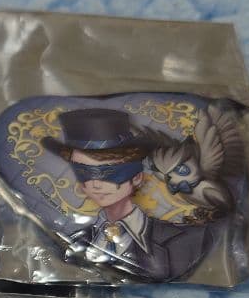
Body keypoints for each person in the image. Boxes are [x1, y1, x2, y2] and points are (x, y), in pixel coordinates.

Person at [40, 108, 207, 280]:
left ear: (136, 177)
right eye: (84, 172)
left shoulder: (186, 239)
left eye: (108, 171)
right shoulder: (73, 244)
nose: (96, 184)